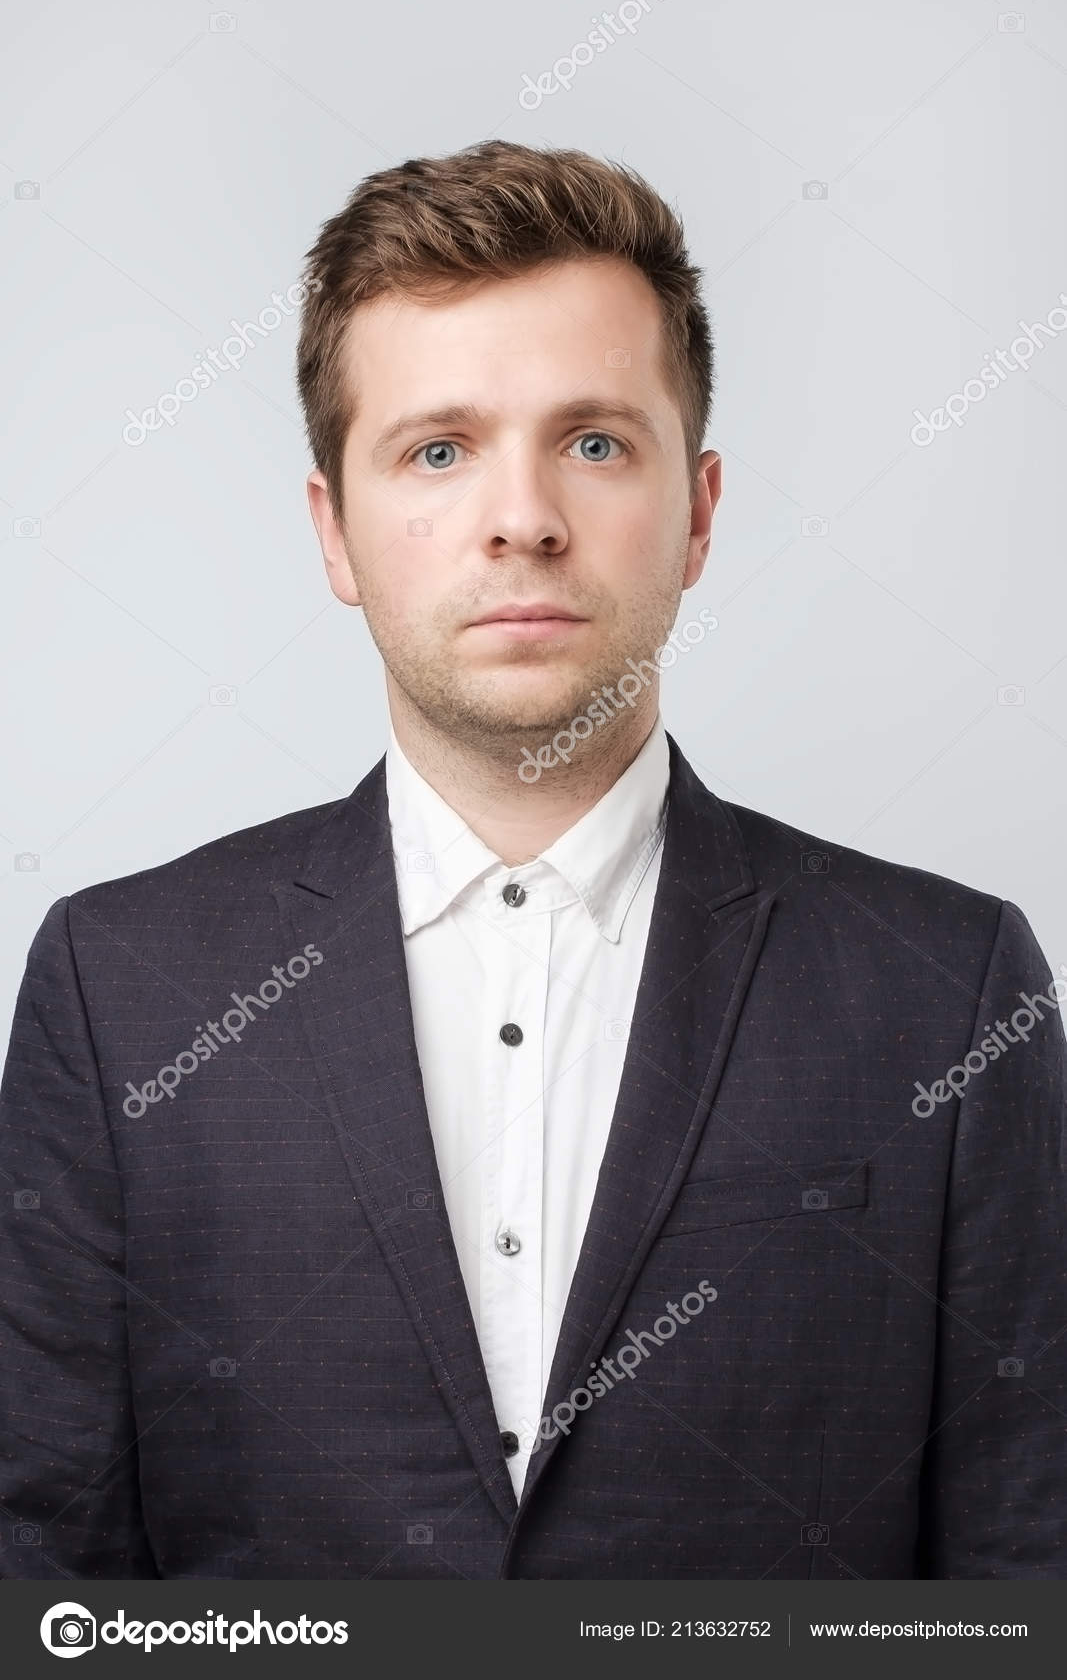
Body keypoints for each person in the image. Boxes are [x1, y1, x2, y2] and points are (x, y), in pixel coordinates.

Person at [1, 140, 1064, 1581]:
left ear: (698, 512)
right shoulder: (116, 985)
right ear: (336, 532)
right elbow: (43, 1578)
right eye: (438, 450)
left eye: (595, 441)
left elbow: (1025, 1575)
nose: (523, 517)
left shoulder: (950, 987)